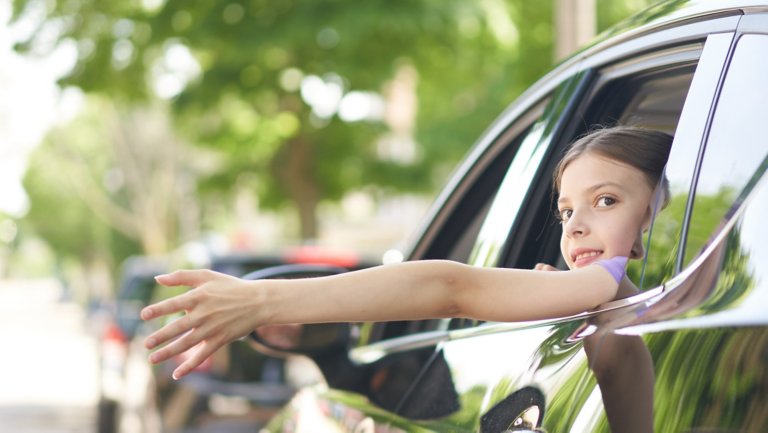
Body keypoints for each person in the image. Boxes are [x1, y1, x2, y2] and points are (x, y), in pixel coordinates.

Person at [141, 125, 672, 382]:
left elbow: (450, 289)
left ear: (657, 213)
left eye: (605, 201)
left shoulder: (606, 283)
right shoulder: (619, 297)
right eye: (565, 211)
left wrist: (263, 302)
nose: (577, 224)